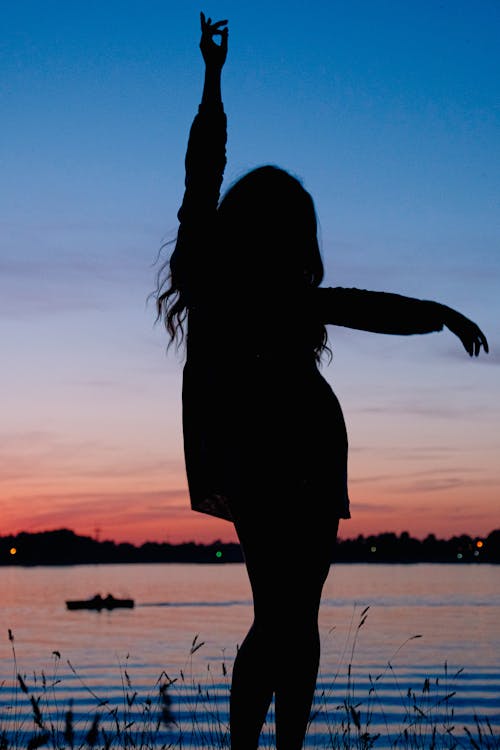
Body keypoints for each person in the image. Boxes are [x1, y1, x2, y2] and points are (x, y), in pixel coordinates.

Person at [156, 14, 488, 750]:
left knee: (294, 618)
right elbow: (202, 169)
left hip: (306, 449)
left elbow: (356, 307)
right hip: (259, 455)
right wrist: (212, 78)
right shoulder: (213, 275)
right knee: (279, 617)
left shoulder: (282, 294)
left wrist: (434, 313)